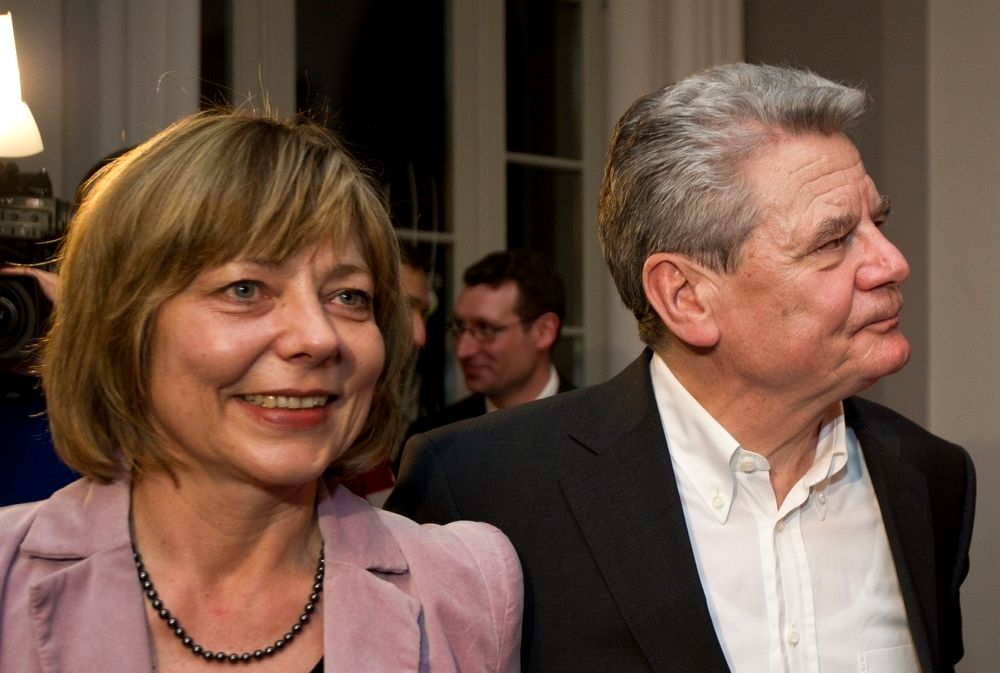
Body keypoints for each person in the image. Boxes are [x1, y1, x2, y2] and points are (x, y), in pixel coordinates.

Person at [387, 63, 975, 673]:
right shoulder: (482, 487)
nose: (892, 263)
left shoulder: (928, 479)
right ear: (686, 298)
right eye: (832, 241)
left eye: (877, 223)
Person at [0, 110, 522, 672]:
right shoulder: (9, 576)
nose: (318, 338)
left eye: (348, 296)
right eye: (245, 289)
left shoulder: (469, 589)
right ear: (121, 326)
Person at [405, 248, 572, 438]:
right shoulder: (433, 437)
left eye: (485, 329)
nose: (462, 351)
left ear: (544, 331)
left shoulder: (593, 427)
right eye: (459, 327)